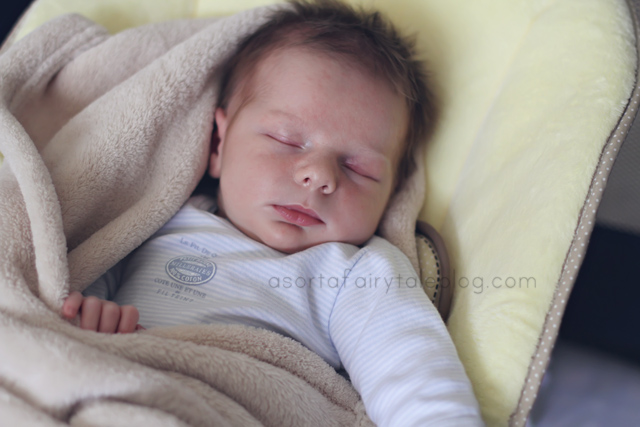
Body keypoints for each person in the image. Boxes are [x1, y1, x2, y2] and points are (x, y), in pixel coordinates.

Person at [62, 1, 482, 424]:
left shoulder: (354, 273)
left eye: (359, 168)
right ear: (218, 144)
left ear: (391, 193)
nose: (319, 176)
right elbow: (71, 282)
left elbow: (415, 378)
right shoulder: (153, 216)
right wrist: (88, 317)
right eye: (286, 140)